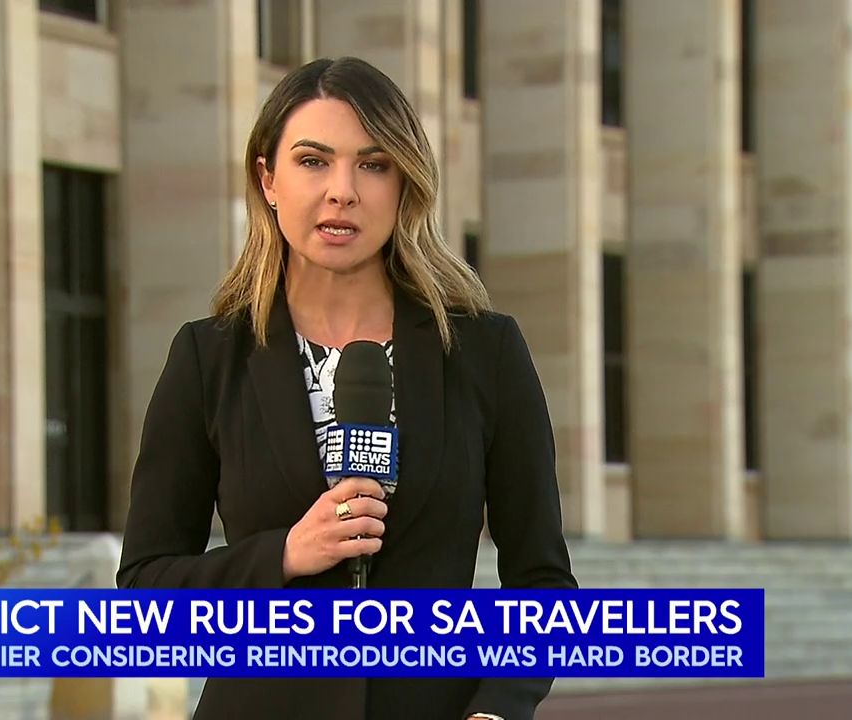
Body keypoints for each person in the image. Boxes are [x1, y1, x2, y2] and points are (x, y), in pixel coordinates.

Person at [116, 56, 577, 720]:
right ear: (267, 179)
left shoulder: (484, 352)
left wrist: (498, 709)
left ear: (404, 183)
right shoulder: (208, 358)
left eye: (373, 164)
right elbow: (145, 590)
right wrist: (284, 555)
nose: (342, 191)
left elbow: (542, 582)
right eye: (313, 161)